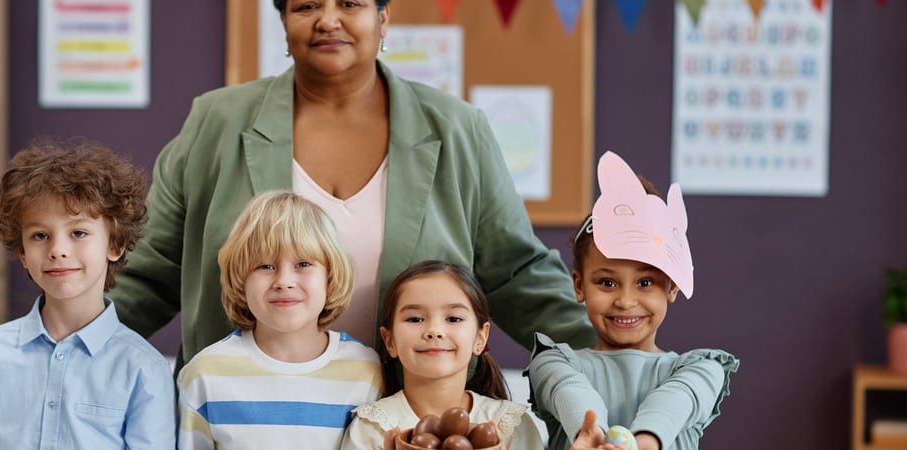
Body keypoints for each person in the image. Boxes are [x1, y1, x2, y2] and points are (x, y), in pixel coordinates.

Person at [111, 0, 594, 374]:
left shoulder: (457, 128)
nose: (327, 20)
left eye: (350, 4)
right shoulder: (215, 122)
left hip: (411, 420)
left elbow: (518, 276)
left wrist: (618, 356)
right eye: (306, 6)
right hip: (246, 416)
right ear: (283, 23)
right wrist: (63, 346)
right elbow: (150, 274)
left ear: (384, 19)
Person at [0, 139, 176, 449]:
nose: (58, 250)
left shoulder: (145, 369)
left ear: (114, 245)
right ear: (22, 252)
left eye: (78, 233)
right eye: (40, 235)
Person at [527, 151, 739, 450]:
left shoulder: (703, 369)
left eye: (645, 283)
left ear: (672, 287)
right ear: (579, 285)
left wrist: (644, 443)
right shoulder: (553, 362)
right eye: (607, 282)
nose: (626, 301)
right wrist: (593, 436)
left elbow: (674, 401)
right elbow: (570, 392)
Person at [176, 190, 382, 449]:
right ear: (241, 279)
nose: (284, 281)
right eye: (265, 266)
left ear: (330, 276)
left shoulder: (366, 371)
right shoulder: (204, 374)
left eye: (303, 264)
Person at [340, 260, 546, 450]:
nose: (434, 330)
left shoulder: (509, 425)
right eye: (414, 319)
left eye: (454, 319)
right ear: (389, 341)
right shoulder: (373, 427)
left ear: (480, 338)